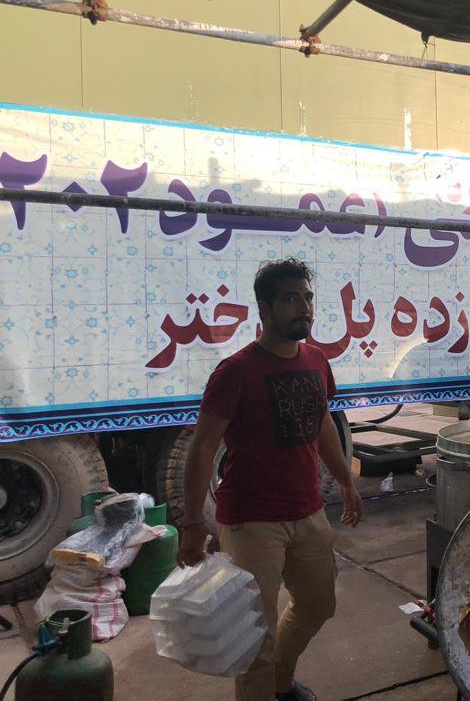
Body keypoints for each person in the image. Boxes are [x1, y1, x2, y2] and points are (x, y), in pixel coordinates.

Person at [177, 259, 363, 701]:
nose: (304, 307)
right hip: (251, 520)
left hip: (308, 511)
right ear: (264, 308)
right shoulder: (236, 371)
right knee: (255, 636)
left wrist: (345, 480)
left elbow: (321, 423)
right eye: (290, 298)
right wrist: (192, 523)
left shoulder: (316, 360)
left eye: (307, 297)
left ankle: (279, 683)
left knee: (318, 605)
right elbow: (202, 448)